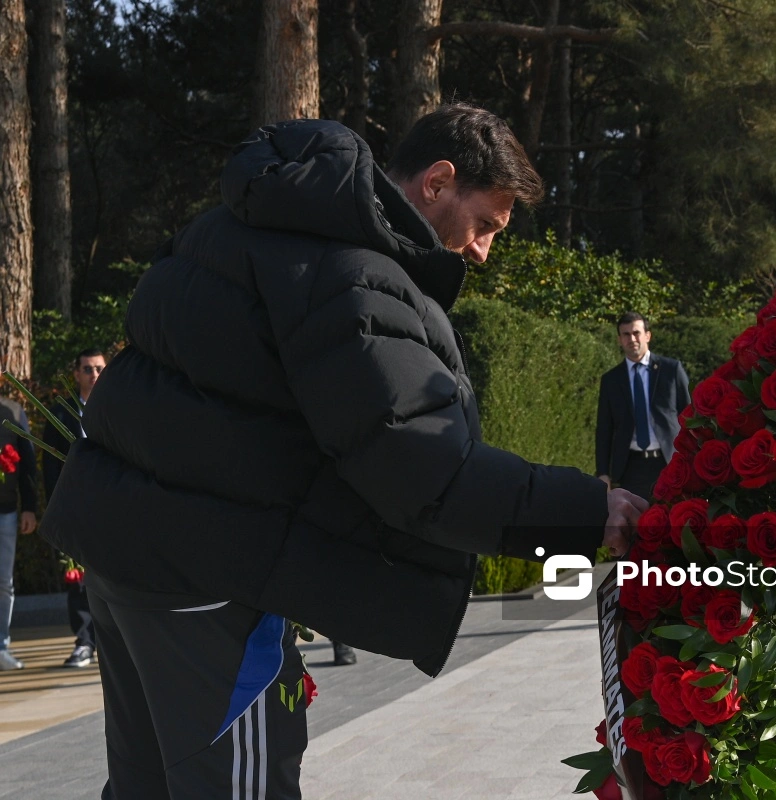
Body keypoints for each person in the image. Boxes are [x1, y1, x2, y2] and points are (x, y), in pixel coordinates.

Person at [40, 104, 645, 798]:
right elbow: (421, 464)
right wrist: (581, 510)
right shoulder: (354, 276)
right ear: (438, 182)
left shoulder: (240, 224)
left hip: (127, 556)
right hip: (210, 577)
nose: (483, 251)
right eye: (485, 225)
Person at [43, 348, 105, 668]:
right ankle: (84, 640)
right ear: (76, 374)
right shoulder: (61, 414)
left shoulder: (121, 408)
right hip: (76, 508)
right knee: (79, 578)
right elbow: (50, 466)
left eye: (99, 369)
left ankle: (114, 642)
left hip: (115, 507)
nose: (94, 375)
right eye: (87, 369)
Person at [595, 312, 691, 501]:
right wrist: (603, 473)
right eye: (626, 334)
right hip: (631, 469)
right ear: (619, 340)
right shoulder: (611, 380)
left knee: (672, 522)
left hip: (669, 462)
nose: (632, 339)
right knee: (637, 526)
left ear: (648, 335)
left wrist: (694, 459)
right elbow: (604, 430)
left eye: (636, 332)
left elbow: (689, 416)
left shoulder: (671, 370)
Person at [0, 393, 38, 671]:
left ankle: (1, 646)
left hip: (6, 510)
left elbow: (27, 463)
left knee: (3, 582)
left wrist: (30, 507)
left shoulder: (13, 411)